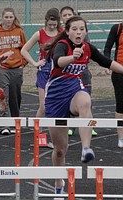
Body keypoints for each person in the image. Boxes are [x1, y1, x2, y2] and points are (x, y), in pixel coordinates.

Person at [43, 16, 123, 194]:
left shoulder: (87, 48)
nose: (78, 32)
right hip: (55, 98)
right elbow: (57, 61)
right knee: (60, 150)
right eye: (75, 29)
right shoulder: (62, 44)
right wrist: (72, 57)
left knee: (85, 101)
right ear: (68, 31)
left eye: (81, 29)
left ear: (85, 32)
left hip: (74, 91)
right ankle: (58, 184)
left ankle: (86, 148)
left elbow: (107, 62)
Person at [0, 7, 27, 135]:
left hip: (16, 69)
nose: (8, 20)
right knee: (3, 95)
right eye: (6, 17)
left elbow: (25, 49)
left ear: (14, 18)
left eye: (11, 17)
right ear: (2, 17)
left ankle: (15, 122)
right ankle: (4, 124)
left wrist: (22, 64)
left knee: (15, 97)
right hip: (2, 69)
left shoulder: (19, 31)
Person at [60, 6, 97, 136]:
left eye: (69, 14)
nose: (67, 17)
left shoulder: (82, 35)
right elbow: (57, 59)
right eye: (64, 15)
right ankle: (70, 125)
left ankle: (89, 124)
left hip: (82, 72)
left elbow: (94, 54)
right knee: (68, 100)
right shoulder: (62, 39)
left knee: (86, 99)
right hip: (66, 75)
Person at [21, 8, 61, 119]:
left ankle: (57, 131)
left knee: (58, 105)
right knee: (43, 106)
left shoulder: (62, 33)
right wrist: (34, 63)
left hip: (58, 70)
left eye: (54, 24)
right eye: (50, 24)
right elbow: (24, 50)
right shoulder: (39, 34)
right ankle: (38, 133)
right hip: (44, 71)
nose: (52, 27)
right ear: (46, 21)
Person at [103, 21, 123, 148]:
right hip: (119, 71)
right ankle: (121, 137)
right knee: (121, 103)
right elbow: (107, 48)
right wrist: (107, 64)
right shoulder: (117, 28)